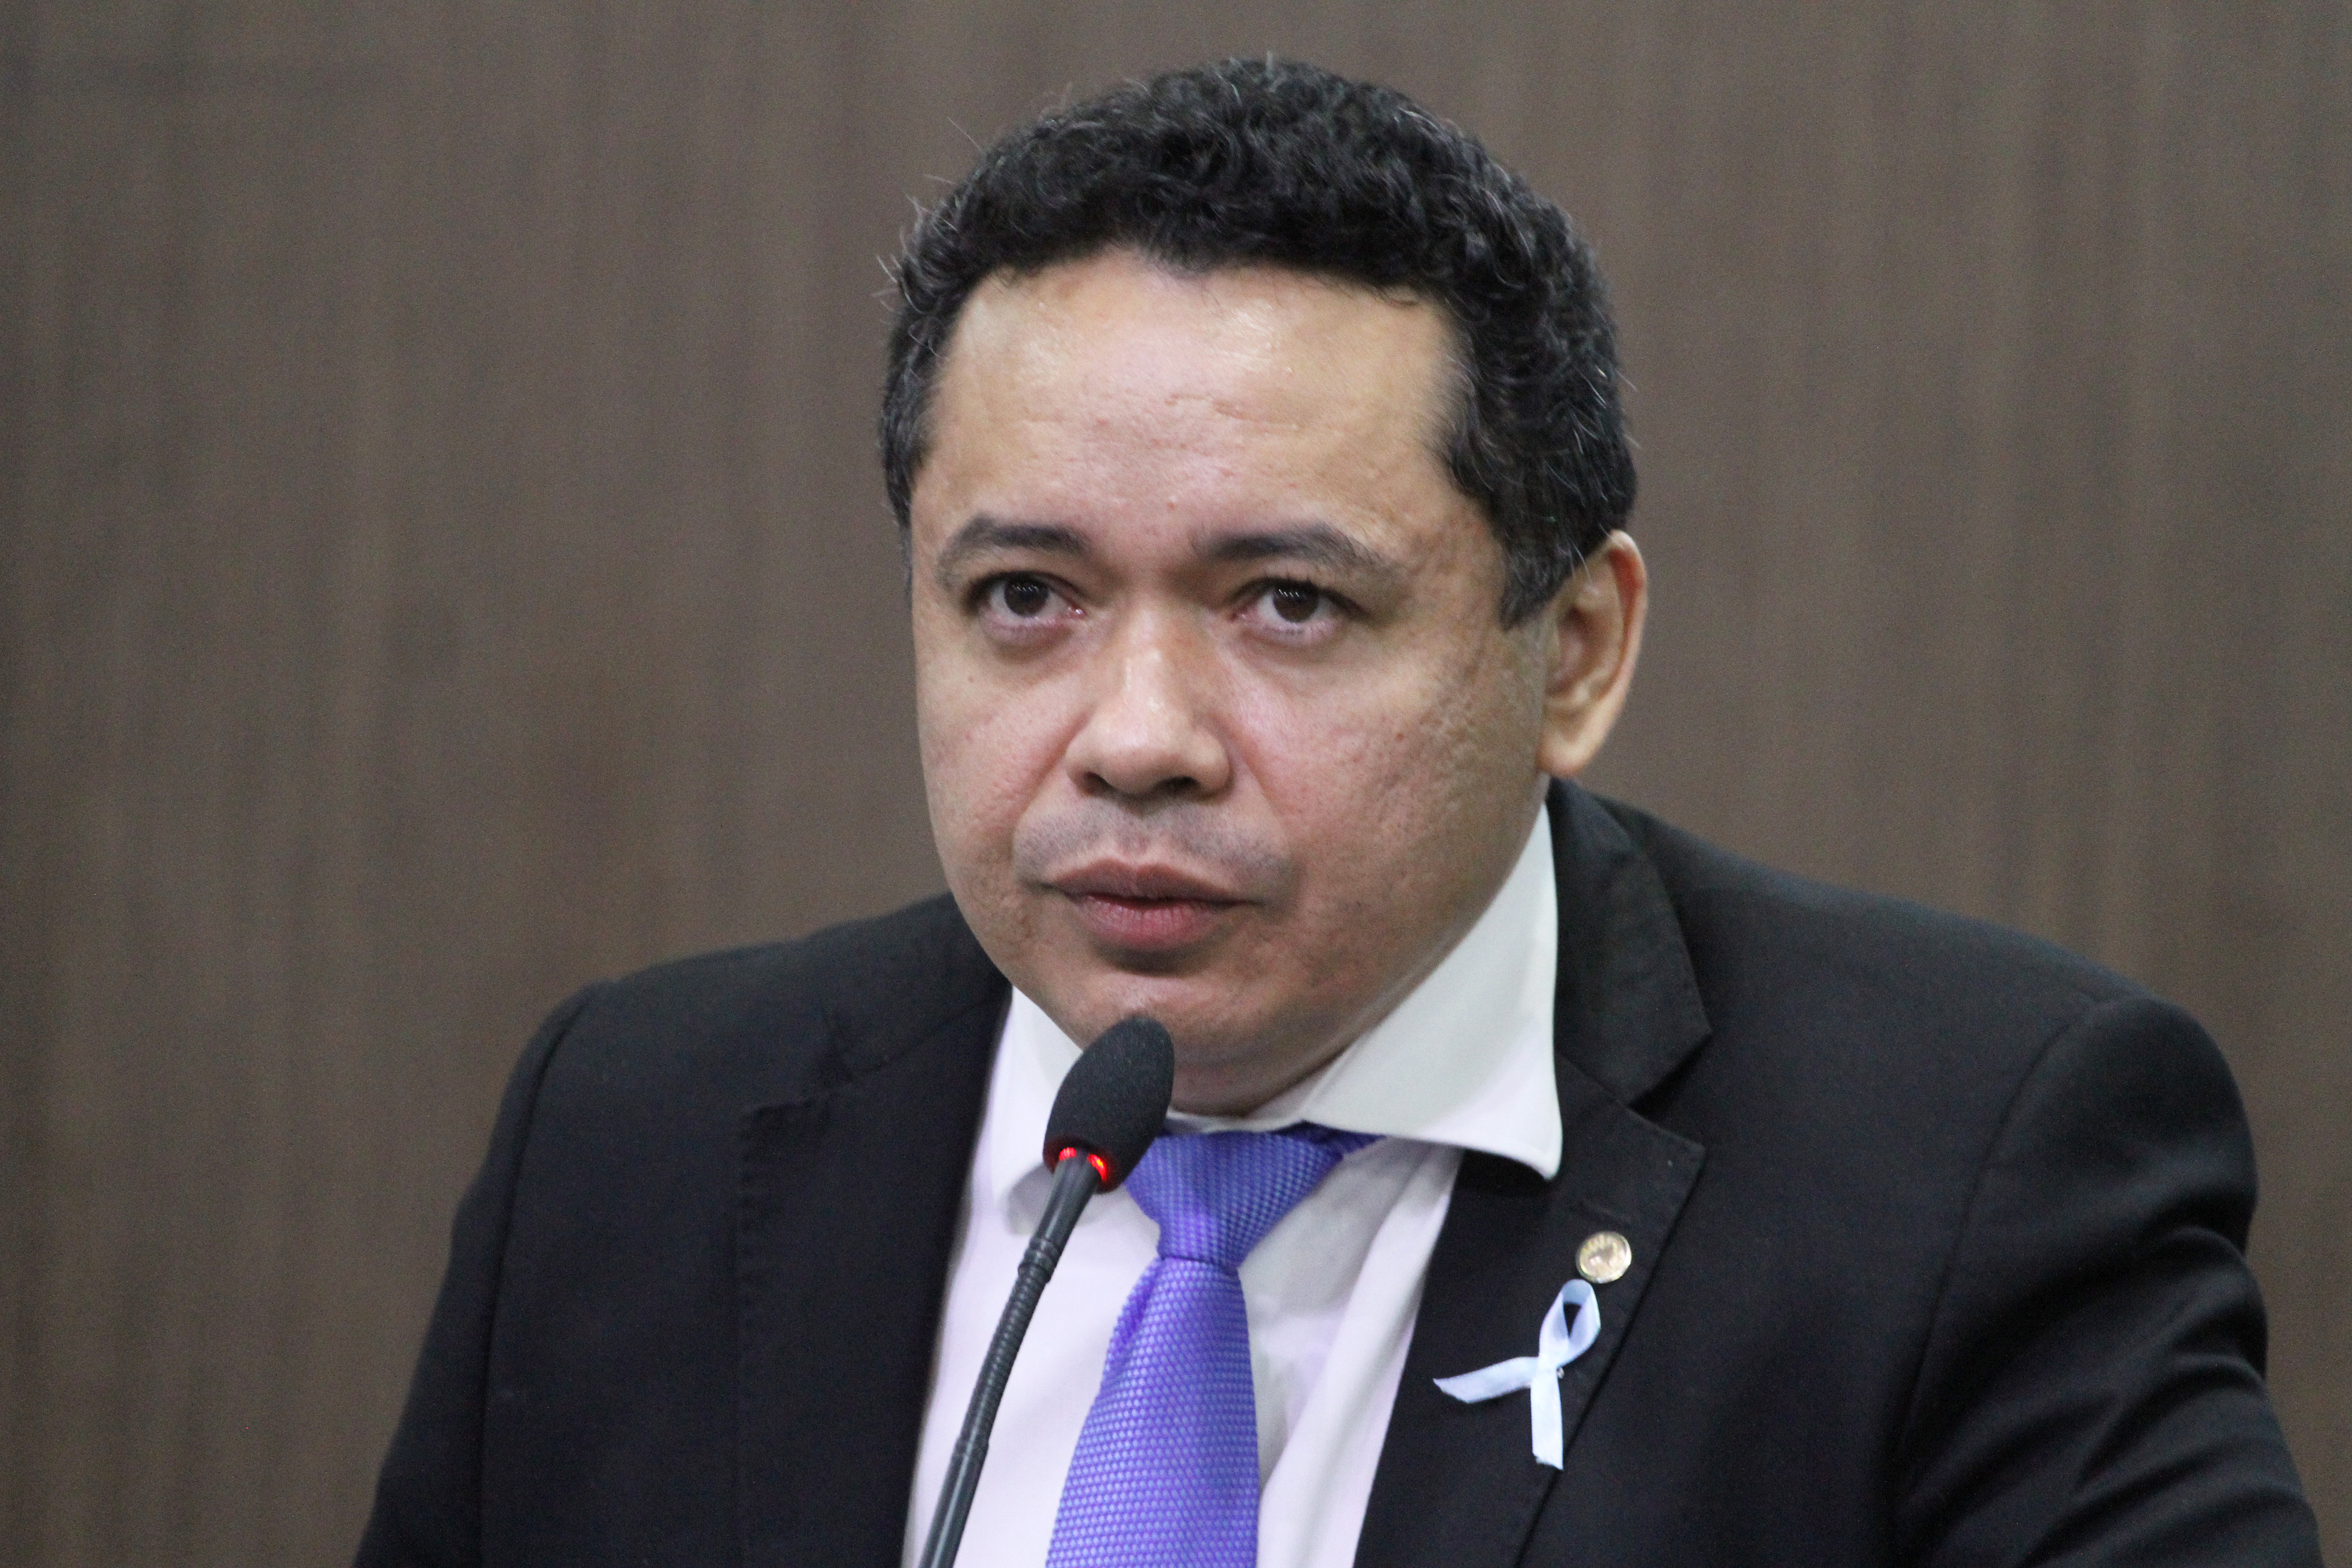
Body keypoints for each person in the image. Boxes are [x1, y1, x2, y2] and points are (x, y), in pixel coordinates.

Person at [356, 59, 2321, 1568]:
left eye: (1288, 605)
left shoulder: (1971, 1175)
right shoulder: (639, 1134)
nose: (1137, 740)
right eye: (1024, 597)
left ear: (1573, 654)